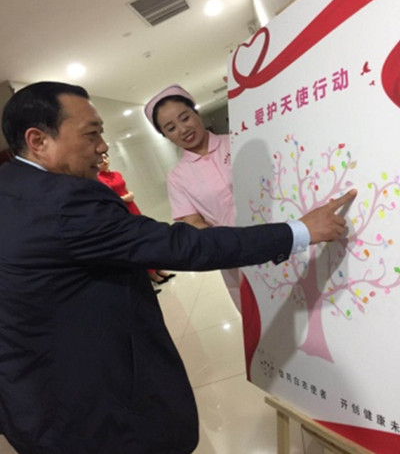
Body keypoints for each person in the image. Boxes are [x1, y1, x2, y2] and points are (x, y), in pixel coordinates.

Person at [0, 81, 356, 454]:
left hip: (36, 402)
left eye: (184, 117)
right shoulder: (64, 201)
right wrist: (299, 231)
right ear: (38, 141)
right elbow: (183, 243)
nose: (103, 147)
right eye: (91, 134)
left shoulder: (12, 190)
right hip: (89, 412)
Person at [144, 84, 241, 310]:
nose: (183, 129)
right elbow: (193, 223)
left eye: (185, 117)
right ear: (165, 136)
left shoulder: (236, 141)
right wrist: (227, 246)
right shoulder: (178, 177)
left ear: (196, 112)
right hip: (235, 255)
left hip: (279, 232)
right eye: (171, 128)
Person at [97, 152, 175, 287]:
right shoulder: (98, 178)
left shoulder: (116, 174)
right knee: (136, 242)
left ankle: (158, 268)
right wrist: (123, 199)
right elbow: (106, 198)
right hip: (121, 210)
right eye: (100, 159)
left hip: (132, 206)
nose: (104, 161)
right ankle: (151, 273)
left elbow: (126, 188)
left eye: (105, 157)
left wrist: (130, 194)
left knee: (145, 237)